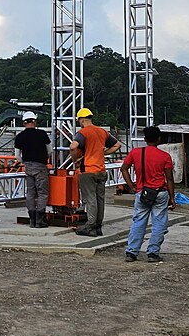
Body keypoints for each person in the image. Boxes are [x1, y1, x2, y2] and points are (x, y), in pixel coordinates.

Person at [120, 126, 175, 262]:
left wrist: (131, 185)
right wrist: (172, 197)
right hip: (160, 193)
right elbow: (169, 179)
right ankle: (153, 253)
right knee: (159, 223)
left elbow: (124, 169)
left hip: (142, 192)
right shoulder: (165, 156)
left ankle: (131, 252)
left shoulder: (135, 153)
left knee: (139, 222)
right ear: (159, 139)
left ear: (144, 139)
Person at [70, 107, 122, 237]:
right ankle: (98, 226)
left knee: (90, 199)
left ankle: (90, 226)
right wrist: (103, 153)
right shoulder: (102, 132)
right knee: (100, 199)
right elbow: (117, 145)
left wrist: (75, 160)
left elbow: (73, 146)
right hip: (101, 170)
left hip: (87, 170)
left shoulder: (83, 133)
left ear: (81, 120)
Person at [14, 111, 52, 228]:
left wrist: (23, 162)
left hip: (28, 166)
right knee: (42, 192)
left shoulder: (19, 136)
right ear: (34, 121)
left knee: (30, 192)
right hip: (40, 166)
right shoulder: (42, 134)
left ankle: (32, 219)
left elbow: (17, 156)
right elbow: (49, 151)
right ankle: (40, 220)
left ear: (24, 122)